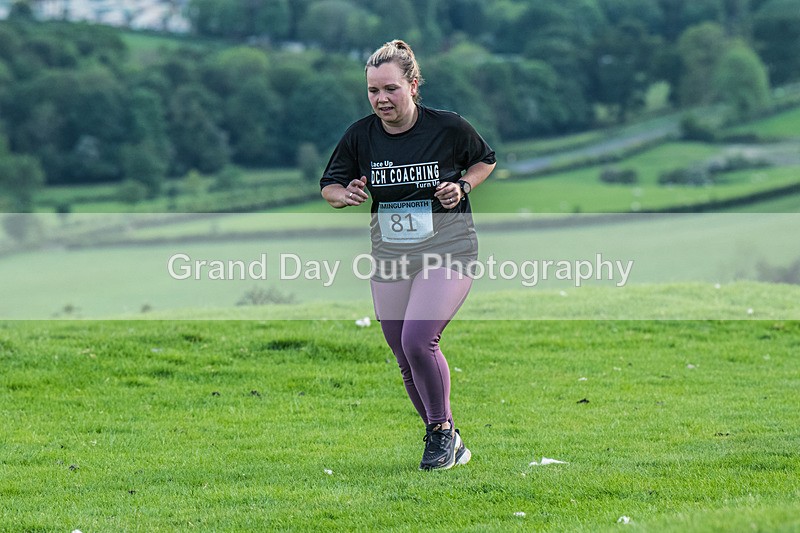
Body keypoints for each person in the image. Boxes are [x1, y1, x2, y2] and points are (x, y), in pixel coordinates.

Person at [320, 40, 496, 470]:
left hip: (449, 250)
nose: (381, 99)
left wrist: (464, 187)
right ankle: (447, 437)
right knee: (403, 353)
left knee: (419, 340)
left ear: (413, 86)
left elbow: (485, 160)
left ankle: (439, 432)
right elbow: (330, 185)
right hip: (391, 257)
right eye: (373, 91)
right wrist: (346, 194)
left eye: (391, 89)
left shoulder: (449, 127)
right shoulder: (360, 135)